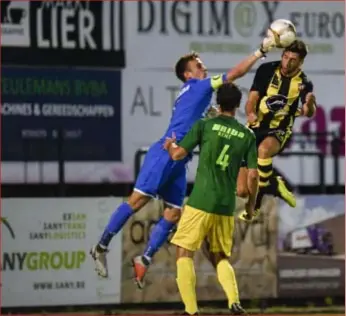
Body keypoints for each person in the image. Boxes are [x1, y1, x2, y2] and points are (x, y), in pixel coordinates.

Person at [90, 36, 276, 288]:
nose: (205, 68)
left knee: (174, 212)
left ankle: (144, 259)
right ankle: (100, 247)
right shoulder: (199, 88)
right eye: (199, 66)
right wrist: (260, 51)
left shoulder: (197, 97)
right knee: (136, 202)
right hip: (166, 154)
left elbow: (211, 119)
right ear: (189, 75)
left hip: (179, 158)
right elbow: (235, 73)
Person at [164, 83, 259, 315]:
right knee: (220, 256)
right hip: (226, 206)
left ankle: (191, 310)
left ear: (218, 102)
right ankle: (234, 302)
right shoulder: (247, 135)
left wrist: (169, 146)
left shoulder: (205, 126)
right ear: (237, 105)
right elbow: (253, 176)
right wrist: (250, 204)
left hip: (200, 201)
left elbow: (177, 155)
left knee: (184, 252)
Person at [237, 40, 317, 221]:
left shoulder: (304, 83)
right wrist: (250, 114)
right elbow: (252, 99)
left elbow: (308, 112)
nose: (287, 63)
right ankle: (274, 183)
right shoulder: (266, 70)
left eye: (293, 60)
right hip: (255, 127)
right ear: (282, 56)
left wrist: (310, 103)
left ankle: (256, 206)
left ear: (300, 63)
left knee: (263, 151)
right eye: (285, 57)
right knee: (242, 191)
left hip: (279, 130)